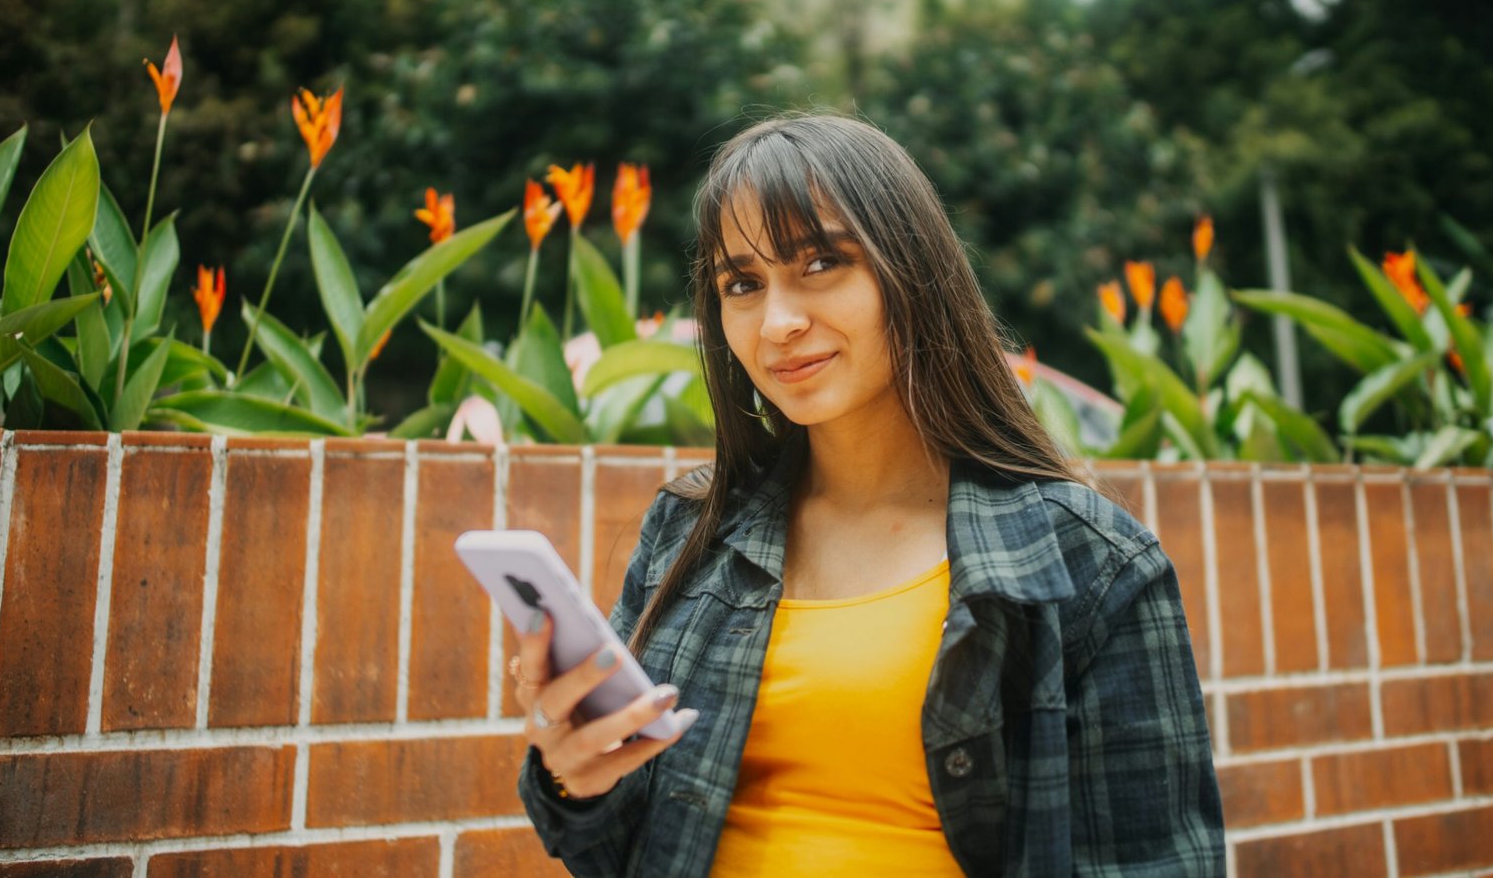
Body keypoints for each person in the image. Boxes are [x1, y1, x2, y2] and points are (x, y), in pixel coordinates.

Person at [507, 114, 1225, 876]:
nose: (779, 322)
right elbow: (619, 850)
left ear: (911, 272)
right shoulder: (689, 530)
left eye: (820, 263)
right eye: (743, 282)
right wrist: (573, 777)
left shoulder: (1091, 561)